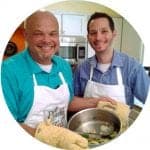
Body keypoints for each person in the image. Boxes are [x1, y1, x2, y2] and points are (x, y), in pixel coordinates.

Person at [69, 12, 150, 111]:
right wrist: (94, 102)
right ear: (88, 37)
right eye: (93, 33)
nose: (98, 37)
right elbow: (71, 102)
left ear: (114, 33)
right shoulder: (82, 68)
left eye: (104, 31)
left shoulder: (132, 68)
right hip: (89, 124)